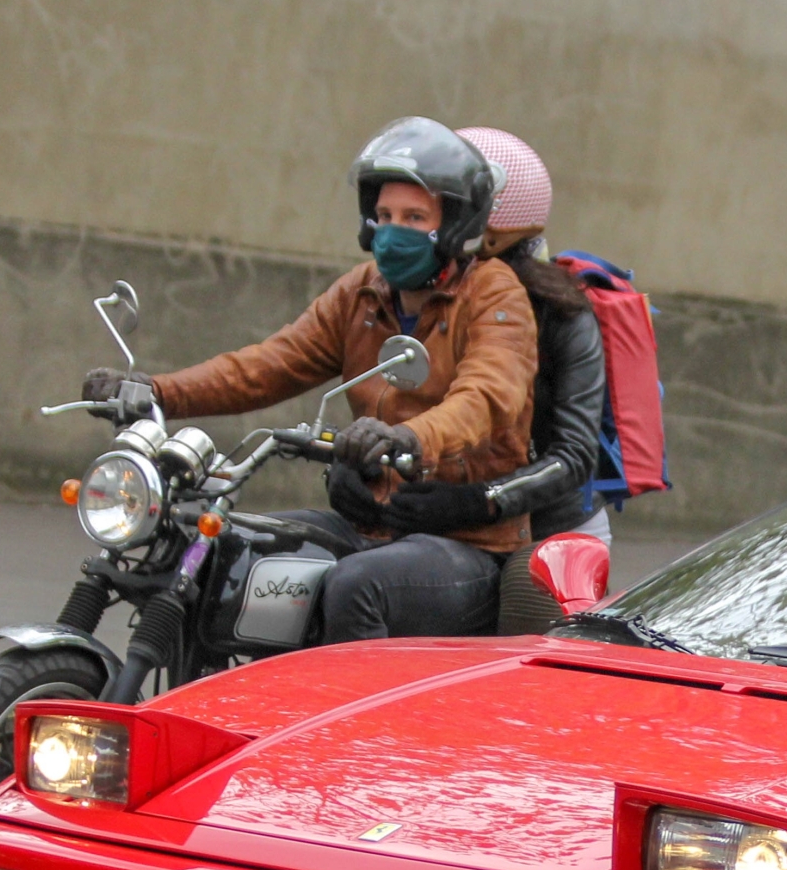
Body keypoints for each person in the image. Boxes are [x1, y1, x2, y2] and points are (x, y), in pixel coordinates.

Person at [83, 117, 539, 641]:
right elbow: (269, 365)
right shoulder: (363, 292)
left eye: (414, 217)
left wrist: (409, 437)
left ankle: (355, 724)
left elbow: (486, 395)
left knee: (356, 586)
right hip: (373, 519)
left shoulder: (495, 295)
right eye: (384, 215)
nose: (392, 230)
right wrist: (155, 390)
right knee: (225, 550)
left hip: (466, 541)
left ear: (455, 225)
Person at [377, 126, 611, 636]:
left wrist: (477, 501)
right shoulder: (418, 292)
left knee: (517, 649)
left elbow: (572, 457)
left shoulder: (564, 315)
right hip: (444, 519)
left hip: (547, 532)